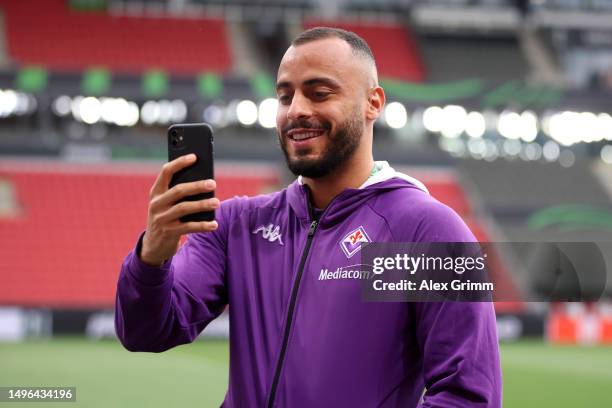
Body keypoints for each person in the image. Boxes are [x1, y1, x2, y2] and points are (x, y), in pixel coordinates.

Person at [115, 27, 502, 407]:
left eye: (319, 93)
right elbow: (147, 332)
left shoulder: (429, 231)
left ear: (373, 102)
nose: (296, 110)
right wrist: (152, 257)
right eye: (285, 96)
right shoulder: (235, 226)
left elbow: (467, 396)